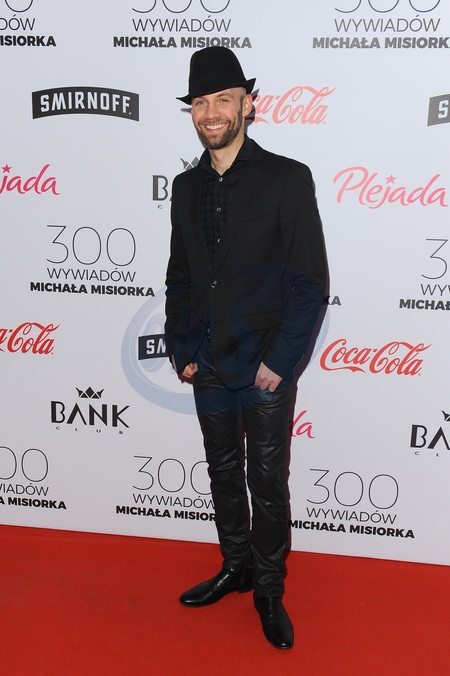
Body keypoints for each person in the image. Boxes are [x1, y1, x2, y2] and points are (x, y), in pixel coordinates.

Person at [165, 46, 327, 650]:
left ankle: (269, 589)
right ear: (192, 111)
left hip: (264, 366)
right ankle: (235, 566)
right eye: (200, 102)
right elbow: (181, 276)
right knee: (222, 472)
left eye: (224, 100)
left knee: (267, 480)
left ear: (248, 106)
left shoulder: (287, 178)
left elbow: (310, 282)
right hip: (207, 361)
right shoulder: (184, 187)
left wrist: (280, 363)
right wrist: (182, 345)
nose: (211, 112)